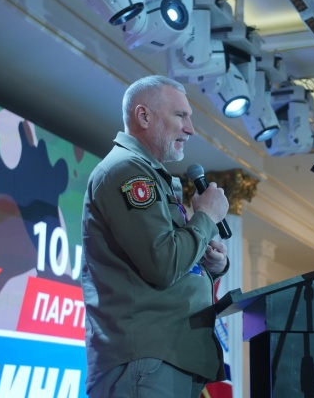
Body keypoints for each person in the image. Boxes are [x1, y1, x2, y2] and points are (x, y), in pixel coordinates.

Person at [81, 75, 230, 398]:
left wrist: (212, 266)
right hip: (145, 360)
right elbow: (162, 264)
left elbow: (168, 262)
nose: (190, 129)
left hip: (164, 359)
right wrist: (205, 216)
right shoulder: (127, 171)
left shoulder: (149, 174)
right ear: (144, 116)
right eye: (180, 115)